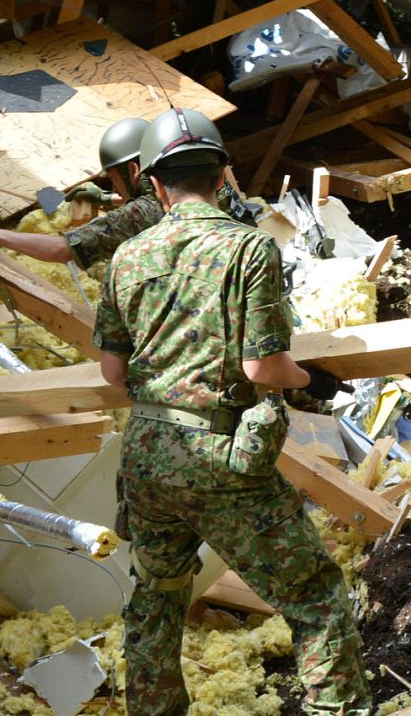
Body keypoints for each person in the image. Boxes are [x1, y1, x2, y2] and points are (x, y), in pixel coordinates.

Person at [94, 108, 371, 715]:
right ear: (222, 175)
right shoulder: (249, 248)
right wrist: (310, 381)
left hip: (146, 456)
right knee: (314, 596)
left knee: (157, 598)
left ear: (156, 184)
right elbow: (263, 369)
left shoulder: (127, 257)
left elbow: (114, 374)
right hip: (222, 461)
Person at [0, 114, 257, 266]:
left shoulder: (142, 212)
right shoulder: (209, 184)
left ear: (134, 171)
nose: (114, 187)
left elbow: (62, 250)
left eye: (113, 179)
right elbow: (151, 205)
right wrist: (104, 198)